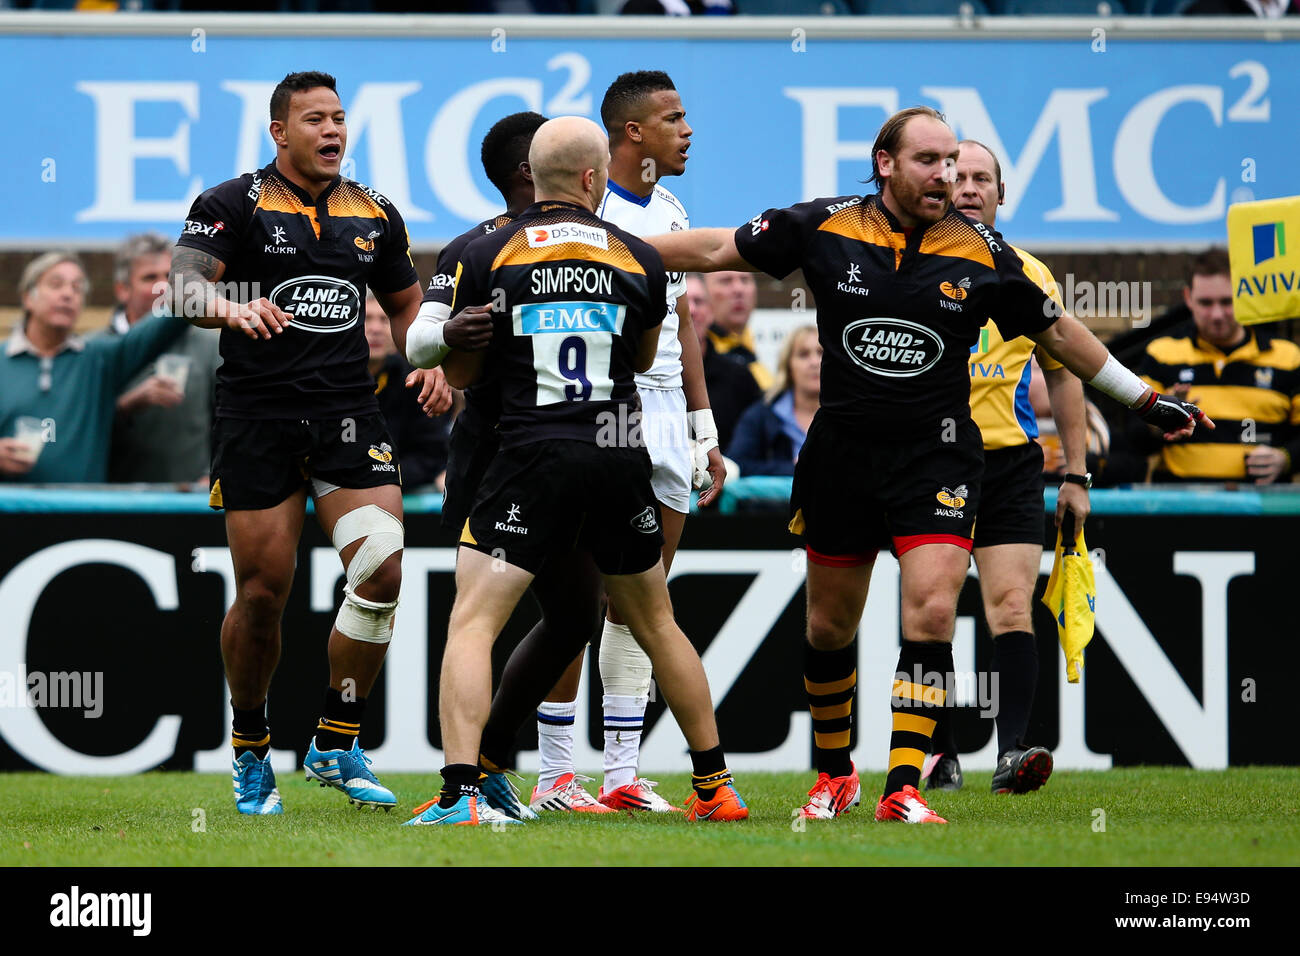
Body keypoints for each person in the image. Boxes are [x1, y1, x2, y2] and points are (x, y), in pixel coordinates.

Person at [647, 105, 1210, 824]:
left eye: (952, 163)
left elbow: (1062, 336)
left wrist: (1146, 399)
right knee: (828, 628)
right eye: (929, 161)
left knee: (934, 611)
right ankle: (834, 774)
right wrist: (608, 246)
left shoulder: (983, 252)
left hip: (938, 455)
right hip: (841, 458)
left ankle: (904, 786)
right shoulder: (823, 224)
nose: (945, 176)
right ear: (886, 162)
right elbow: (713, 249)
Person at [405, 116, 748, 826]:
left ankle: (460, 794)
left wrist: (459, 346)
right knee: (655, 621)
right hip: (620, 454)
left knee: (472, 624)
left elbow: (452, 361)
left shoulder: (487, 249)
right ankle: (716, 786)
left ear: (534, 174)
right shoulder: (641, 257)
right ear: (594, 178)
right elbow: (643, 351)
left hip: (529, 454)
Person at [169, 71, 448, 816]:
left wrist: (436, 361)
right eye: (315, 119)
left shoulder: (374, 213)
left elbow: (410, 307)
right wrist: (232, 309)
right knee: (263, 596)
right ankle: (252, 746)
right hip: (257, 421)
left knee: (383, 572)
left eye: (339, 119)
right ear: (278, 132)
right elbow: (183, 288)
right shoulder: (232, 203)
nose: (332, 131)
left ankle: (336, 737)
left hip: (347, 420)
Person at [524, 70, 727, 814]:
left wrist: (705, 431)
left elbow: (681, 323)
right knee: (577, 600)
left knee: (641, 603)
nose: (689, 130)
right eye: (675, 118)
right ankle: (553, 777)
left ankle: (619, 774)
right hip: (607, 405)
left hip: (670, 411)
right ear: (631, 134)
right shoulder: (586, 205)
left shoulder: (669, 207)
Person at [408, 110, 608, 819]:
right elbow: (421, 337)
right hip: (497, 459)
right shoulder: (476, 248)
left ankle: (488, 762)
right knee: (478, 619)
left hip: (575, 460)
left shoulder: (604, 249)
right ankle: (460, 784)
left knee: (577, 612)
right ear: (531, 169)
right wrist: (446, 339)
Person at [920, 139, 1090, 796]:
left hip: (1011, 463)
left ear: (1000, 193)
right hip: (931, 462)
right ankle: (939, 752)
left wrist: (1076, 474)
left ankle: (1013, 750)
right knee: (932, 611)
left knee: (1013, 605)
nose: (966, 188)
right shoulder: (912, 265)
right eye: (955, 176)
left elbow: (1066, 370)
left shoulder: (1032, 275)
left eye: (980, 178)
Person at [1, 252, 188, 483]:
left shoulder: (98, 359)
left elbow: (160, 326)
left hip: (83, 512)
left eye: (77, 288)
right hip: (10, 511)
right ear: (28, 297)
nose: (68, 294)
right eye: (56, 284)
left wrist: (197, 285)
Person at [1136, 248, 1299, 484]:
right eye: (1205, 302)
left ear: (1243, 297)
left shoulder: (1288, 357)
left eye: (1227, 301)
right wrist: (1160, 414)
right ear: (1188, 298)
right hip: (1178, 508)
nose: (1217, 314)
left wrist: (1286, 458)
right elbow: (1133, 439)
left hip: (1261, 510)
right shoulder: (1162, 354)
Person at [104, 233, 222, 486]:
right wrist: (126, 406)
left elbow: (231, 424)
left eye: (170, 277)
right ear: (122, 290)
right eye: (149, 278)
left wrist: (214, 472)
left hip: (189, 506)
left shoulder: (209, 345)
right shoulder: (97, 350)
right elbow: (77, 432)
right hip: (113, 504)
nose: (163, 287)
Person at [364, 293, 450, 490]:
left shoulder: (418, 378)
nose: (376, 329)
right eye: (367, 319)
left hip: (401, 489)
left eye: (384, 320)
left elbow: (431, 454)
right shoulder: (331, 378)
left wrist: (379, 477)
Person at [727, 323, 820, 477]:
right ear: (788, 366)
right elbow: (735, 465)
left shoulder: (854, 415)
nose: (814, 362)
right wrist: (793, 469)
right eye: (803, 354)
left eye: (821, 353)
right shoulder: (761, 415)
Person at [688, 272, 763, 451]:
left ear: (711, 311)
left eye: (698, 301)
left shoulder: (740, 377)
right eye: (680, 302)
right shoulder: (643, 372)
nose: (691, 310)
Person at [705, 270, 774, 389]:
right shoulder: (697, 357)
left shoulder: (749, 355)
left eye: (745, 280)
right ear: (702, 292)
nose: (739, 289)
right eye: (725, 281)